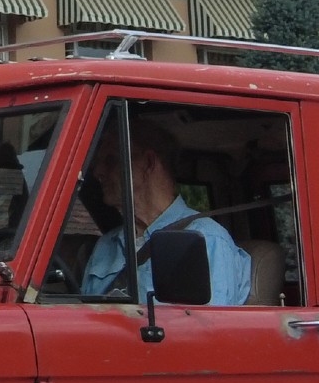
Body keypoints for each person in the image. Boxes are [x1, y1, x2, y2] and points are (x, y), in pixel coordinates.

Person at [79, 121, 251, 306]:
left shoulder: (207, 239)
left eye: (111, 160)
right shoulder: (106, 245)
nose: (98, 172)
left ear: (148, 163)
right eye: (98, 162)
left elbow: (211, 329)